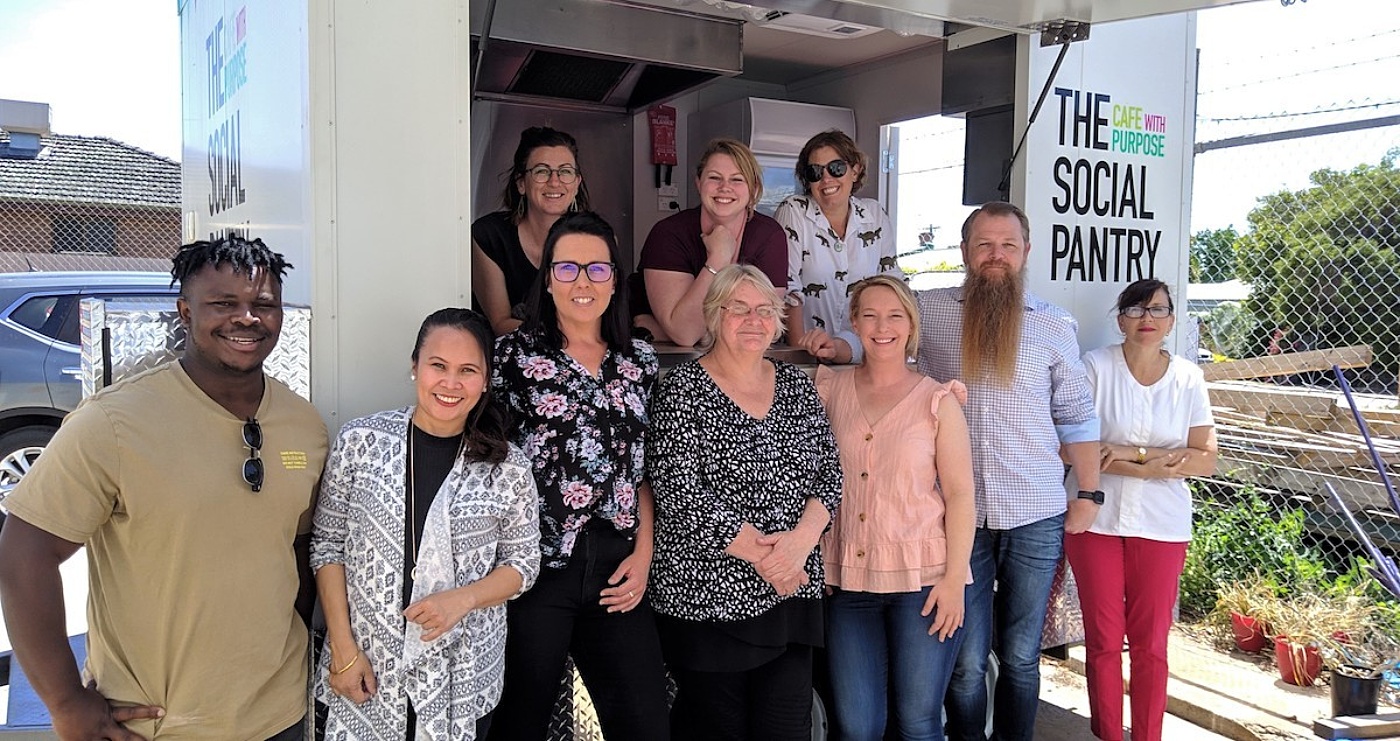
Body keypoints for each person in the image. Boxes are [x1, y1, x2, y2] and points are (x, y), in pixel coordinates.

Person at [0, 236, 328, 740]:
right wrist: (65, 701)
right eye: (223, 304)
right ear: (184, 312)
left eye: (264, 304)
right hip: (158, 724)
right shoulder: (113, 423)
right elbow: (24, 554)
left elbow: (298, 553)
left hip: (280, 715)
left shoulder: (304, 425)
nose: (247, 318)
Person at [916, 201, 1101, 741]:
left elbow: (1077, 416)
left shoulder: (1053, 324)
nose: (996, 255)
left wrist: (1087, 493)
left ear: (1025, 252)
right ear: (965, 252)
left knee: (1020, 657)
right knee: (967, 659)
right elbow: (880, 336)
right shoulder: (930, 312)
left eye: (1008, 245)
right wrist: (840, 344)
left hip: (1035, 512)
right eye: (984, 245)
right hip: (956, 517)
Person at [310, 308, 541, 740]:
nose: (451, 383)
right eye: (438, 366)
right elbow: (327, 546)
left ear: (486, 380)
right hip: (367, 664)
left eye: (468, 370)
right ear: (415, 366)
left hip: (463, 672)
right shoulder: (362, 442)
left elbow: (524, 565)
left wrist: (464, 600)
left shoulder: (507, 466)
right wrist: (342, 650)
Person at [488, 211, 670, 741]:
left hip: (619, 567)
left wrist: (643, 555)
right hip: (537, 570)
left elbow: (644, 469)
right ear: (547, 279)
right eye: (567, 269)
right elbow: (487, 466)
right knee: (519, 722)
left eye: (597, 269)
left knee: (646, 724)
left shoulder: (639, 360)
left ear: (616, 280)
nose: (583, 282)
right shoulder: (512, 358)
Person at [648, 264, 843, 741]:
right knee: (720, 730)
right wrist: (775, 560)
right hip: (709, 600)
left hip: (790, 595)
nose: (753, 320)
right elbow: (679, 494)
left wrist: (798, 545)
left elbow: (830, 475)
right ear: (714, 316)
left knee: (785, 729)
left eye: (764, 310)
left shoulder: (797, 386)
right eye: (738, 309)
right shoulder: (680, 392)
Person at [816, 275, 975, 741]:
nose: (881, 326)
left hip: (924, 583)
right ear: (854, 322)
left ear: (911, 324)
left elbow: (961, 494)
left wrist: (954, 581)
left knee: (918, 723)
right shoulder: (829, 390)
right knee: (858, 726)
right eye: (869, 315)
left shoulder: (937, 401)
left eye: (894, 315)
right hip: (849, 582)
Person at [1064, 279, 1218, 741]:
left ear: (1172, 321)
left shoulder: (1189, 377)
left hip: (1163, 526)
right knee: (1104, 640)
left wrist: (1127, 456)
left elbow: (1205, 458)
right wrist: (1153, 465)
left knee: (1151, 644)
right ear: (1120, 320)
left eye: (1158, 310)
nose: (1147, 318)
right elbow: (1072, 447)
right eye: (1136, 309)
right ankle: (1109, 733)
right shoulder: (1094, 367)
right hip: (1097, 520)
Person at [639, 138, 787, 346]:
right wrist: (719, 258)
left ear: (753, 189)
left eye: (737, 179)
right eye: (715, 178)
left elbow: (764, 328)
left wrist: (686, 331)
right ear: (699, 183)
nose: (725, 187)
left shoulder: (769, 235)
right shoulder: (668, 233)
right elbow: (686, 333)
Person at [775, 129, 900, 364]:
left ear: (855, 170)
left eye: (836, 168)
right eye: (815, 172)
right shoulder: (794, 211)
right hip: (805, 355)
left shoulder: (875, 215)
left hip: (862, 354)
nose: (826, 179)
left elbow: (891, 284)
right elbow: (789, 285)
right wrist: (800, 358)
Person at [472, 126, 590, 335]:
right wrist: (569, 332)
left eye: (565, 171)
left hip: (580, 361)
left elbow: (601, 319)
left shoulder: (596, 241)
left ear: (576, 183)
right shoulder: (489, 236)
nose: (555, 182)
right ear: (521, 184)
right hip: (509, 361)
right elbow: (501, 325)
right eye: (542, 171)